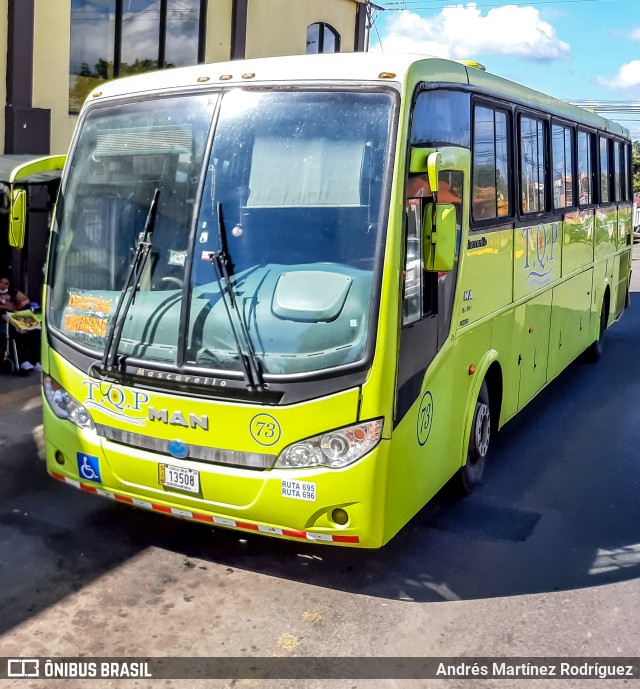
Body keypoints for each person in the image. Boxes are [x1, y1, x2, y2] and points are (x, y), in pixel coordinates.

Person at [0, 275, 41, 372]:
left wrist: (22, 303)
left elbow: (25, 299)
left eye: (6, 283)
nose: (3, 285)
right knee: (17, 332)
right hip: (4, 318)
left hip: (17, 315)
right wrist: (8, 307)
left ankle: (35, 361)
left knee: (35, 331)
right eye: (1, 282)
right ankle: (23, 361)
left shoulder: (12, 291)